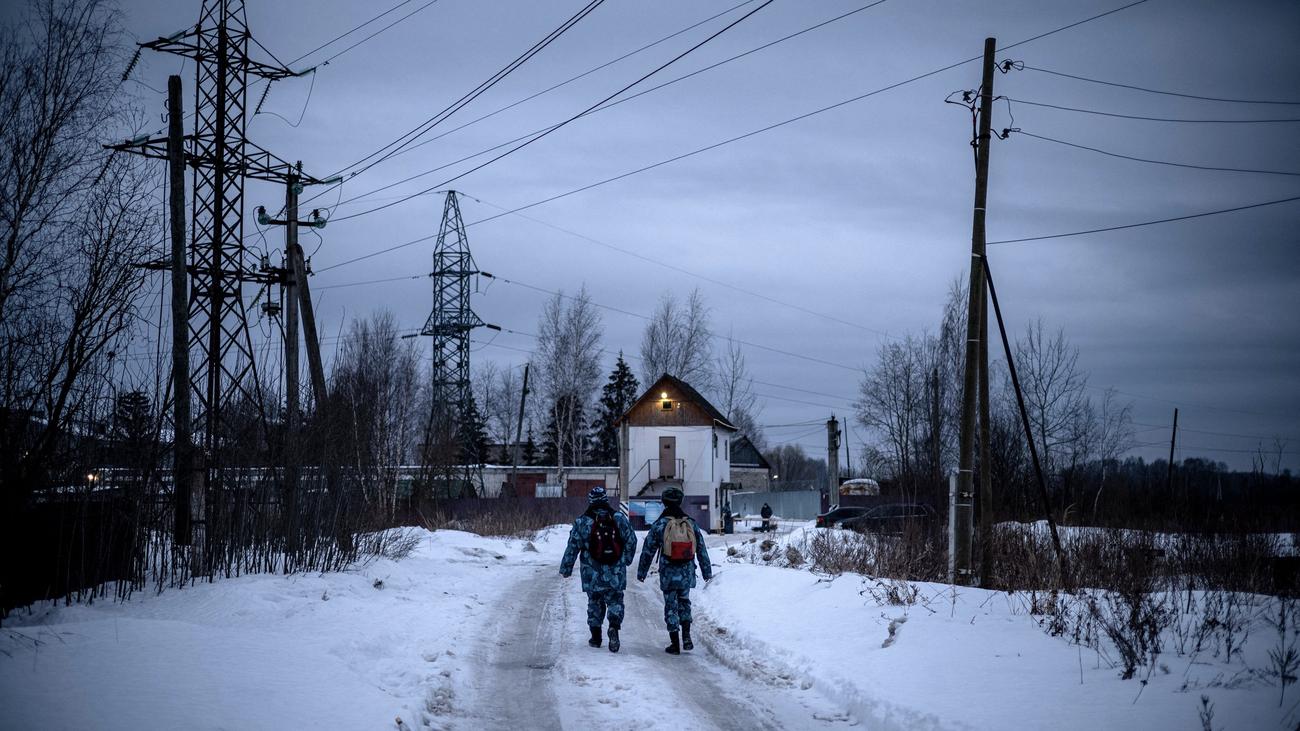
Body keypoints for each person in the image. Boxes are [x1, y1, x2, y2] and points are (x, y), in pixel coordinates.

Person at [636, 486, 713, 655]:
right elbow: (701, 549)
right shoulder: (690, 523)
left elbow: (648, 550)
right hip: (686, 572)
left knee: (671, 605)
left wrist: (642, 572)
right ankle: (686, 636)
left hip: (669, 573)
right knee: (684, 602)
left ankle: (675, 643)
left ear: (664, 503)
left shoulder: (660, 524)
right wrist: (707, 572)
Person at [560, 486, 637, 653]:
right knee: (615, 600)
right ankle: (614, 627)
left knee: (594, 601)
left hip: (591, 573)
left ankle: (595, 637)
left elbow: (572, 546)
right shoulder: (618, 518)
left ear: (590, 501)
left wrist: (566, 567)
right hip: (615, 572)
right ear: (605, 500)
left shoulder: (582, 522)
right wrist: (626, 560)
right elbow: (631, 540)